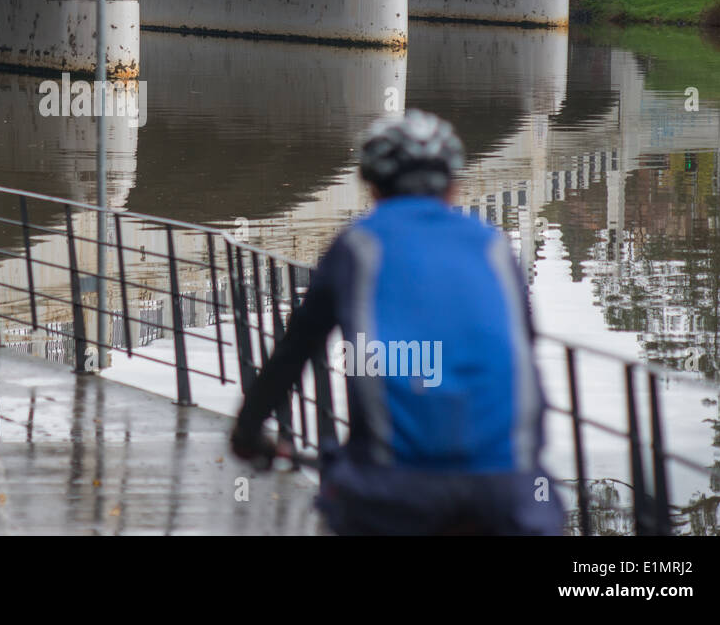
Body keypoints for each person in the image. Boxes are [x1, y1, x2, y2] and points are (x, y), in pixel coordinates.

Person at [229, 109, 562, 535]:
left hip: (395, 492)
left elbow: (295, 352)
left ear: (371, 185)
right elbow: (519, 348)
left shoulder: (359, 247)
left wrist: (248, 430)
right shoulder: (495, 248)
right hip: (509, 491)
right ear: (454, 184)